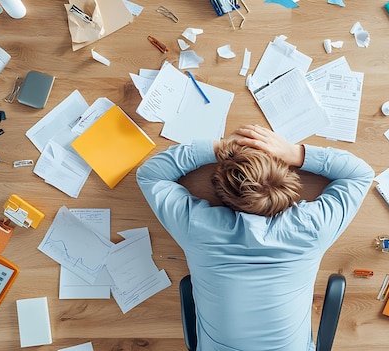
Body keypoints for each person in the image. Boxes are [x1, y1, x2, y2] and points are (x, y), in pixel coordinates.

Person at [137, 125, 374, 351]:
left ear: (222, 192)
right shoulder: (310, 227)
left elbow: (150, 176)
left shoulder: (199, 227)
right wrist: (296, 153)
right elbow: (361, 175)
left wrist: (219, 148)